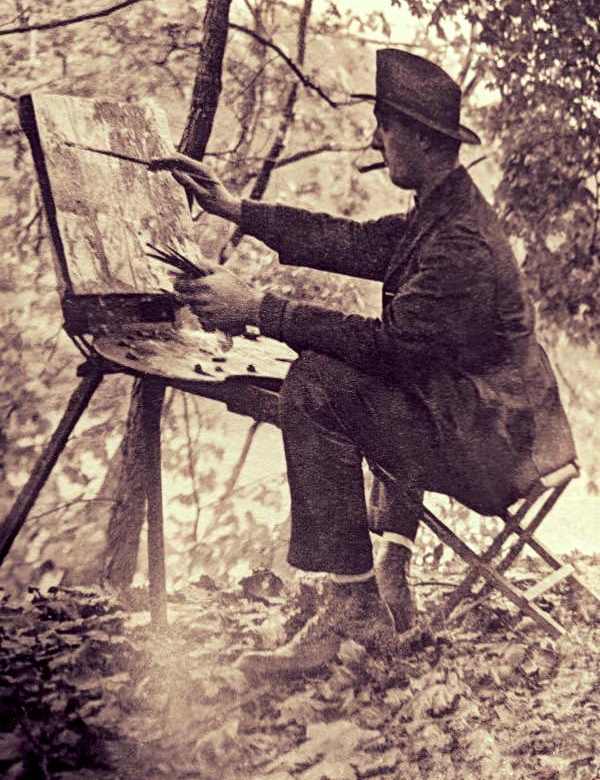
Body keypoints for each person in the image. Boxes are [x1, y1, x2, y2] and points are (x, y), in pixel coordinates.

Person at [150, 49, 576, 676]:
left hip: (495, 449)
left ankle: (353, 606)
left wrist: (260, 308)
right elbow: (353, 241)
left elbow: (391, 349)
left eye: (385, 126)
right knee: (339, 374)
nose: (377, 139)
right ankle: (373, 580)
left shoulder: (458, 240)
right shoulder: (444, 208)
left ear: (421, 138)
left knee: (317, 383)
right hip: (498, 424)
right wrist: (236, 207)